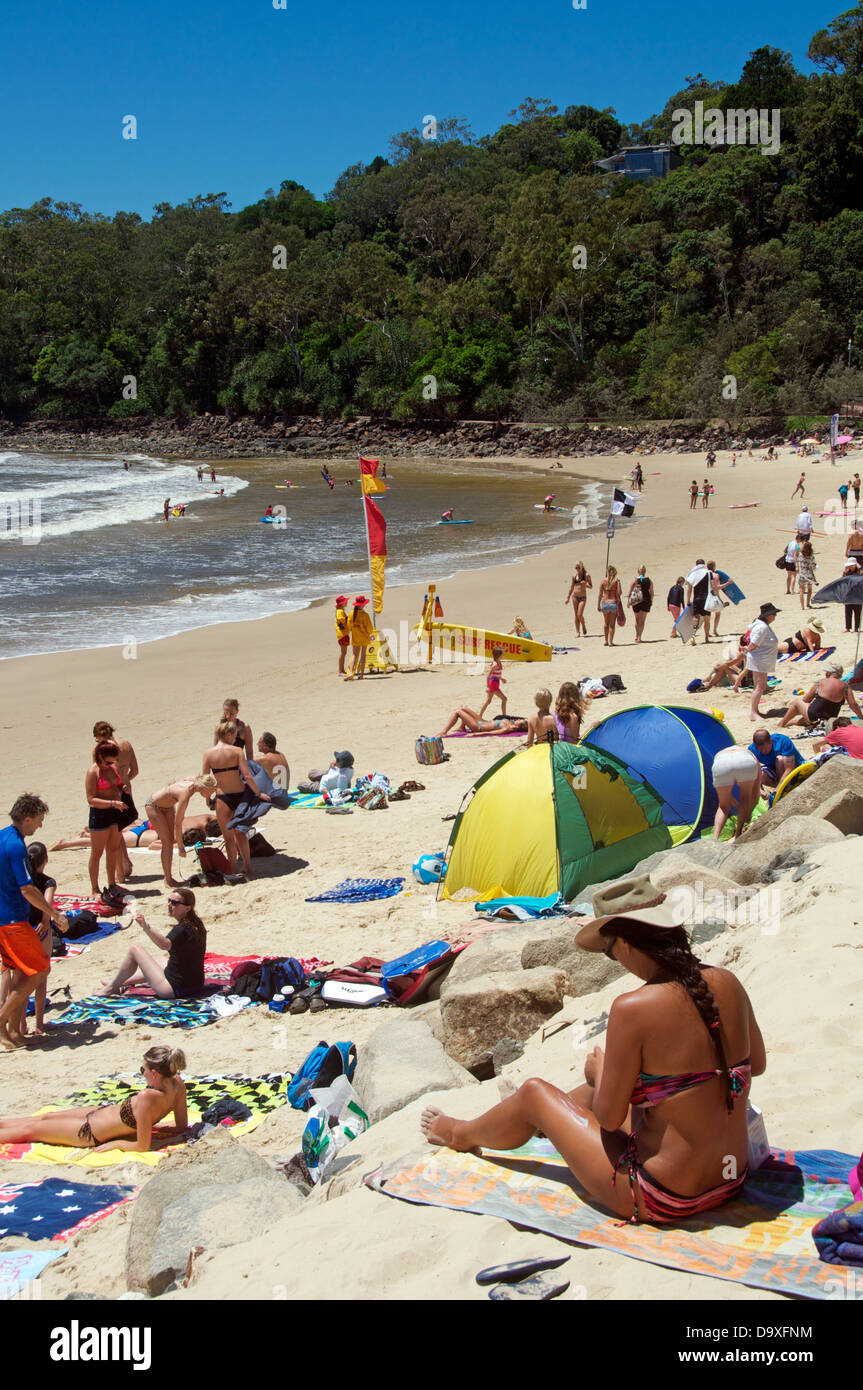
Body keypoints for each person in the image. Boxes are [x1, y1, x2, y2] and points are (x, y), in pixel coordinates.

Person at [421, 877, 765, 1225]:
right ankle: (534, 1124)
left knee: (534, 1094)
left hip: (663, 1196)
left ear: (627, 944)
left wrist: (600, 1075)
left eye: (608, 949)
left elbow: (610, 1119)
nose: (613, 958)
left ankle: (459, 1133)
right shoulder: (727, 981)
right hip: (730, 1178)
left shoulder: (634, 1007)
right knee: (613, 1092)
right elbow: (758, 1064)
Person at [0, 1046, 188, 1152]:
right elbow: (180, 1126)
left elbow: (142, 1146)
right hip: (99, 1114)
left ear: (154, 1073)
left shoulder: (147, 1097)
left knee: (31, 1129)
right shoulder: (178, 1085)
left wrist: (117, 1144)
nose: (142, 1074)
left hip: (89, 1132)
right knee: (45, 1117)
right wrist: (152, 1126)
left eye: (143, 1070)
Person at [0, 795, 67, 1050]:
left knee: (21, 974)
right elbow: (27, 889)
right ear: (27, 818)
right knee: (40, 970)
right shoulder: (16, 846)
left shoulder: (2, 836)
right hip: (12, 919)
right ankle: (2, 1021)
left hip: (5, 917)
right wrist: (54, 913)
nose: (38, 827)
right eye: (38, 821)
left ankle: (13, 1032)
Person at [99, 889, 206, 1000]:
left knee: (135, 950)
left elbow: (164, 945)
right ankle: (118, 982)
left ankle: (111, 988)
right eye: (169, 901)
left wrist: (145, 926)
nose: (169, 905)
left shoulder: (182, 928)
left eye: (175, 903)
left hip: (174, 990)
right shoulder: (196, 923)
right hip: (196, 985)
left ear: (187, 908)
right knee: (162, 960)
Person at [202, 723, 269, 875]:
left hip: (222, 796)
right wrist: (258, 793)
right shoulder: (237, 751)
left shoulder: (208, 754)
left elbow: (206, 780)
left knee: (228, 837)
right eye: (234, 736)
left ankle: (233, 869)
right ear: (228, 734)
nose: (235, 739)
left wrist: (207, 798)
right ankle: (247, 865)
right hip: (240, 795)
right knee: (240, 833)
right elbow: (246, 775)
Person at [143, 775, 219, 887]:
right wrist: (180, 847)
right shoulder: (186, 793)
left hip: (168, 806)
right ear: (204, 788)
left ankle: (169, 878)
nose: (210, 795)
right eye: (210, 792)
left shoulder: (195, 781)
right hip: (154, 805)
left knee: (169, 841)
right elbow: (179, 823)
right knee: (167, 842)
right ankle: (168, 879)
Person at [93, 721, 139, 876]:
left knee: (113, 831)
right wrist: (126, 781)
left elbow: (101, 773)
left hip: (112, 793)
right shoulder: (126, 744)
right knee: (120, 828)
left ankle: (122, 869)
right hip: (127, 790)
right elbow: (135, 770)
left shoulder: (103, 750)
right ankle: (125, 863)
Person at [85, 740, 128, 893]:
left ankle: (112, 883)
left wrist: (122, 788)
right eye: (111, 759)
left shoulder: (112, 768)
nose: (113, 761)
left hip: (115, 811)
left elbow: (116, 784)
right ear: (102, 756)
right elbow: (91, 799)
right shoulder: (93, 772)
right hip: (100, 813)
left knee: (113, 849)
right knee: (97, 852)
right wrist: (111, 803)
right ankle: (95, 888)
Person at [777, 662, 862, 728]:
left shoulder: (820, 682)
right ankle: (791, 723)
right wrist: (861, 717)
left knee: (797, 703)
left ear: (829, 673)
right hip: (830, 719)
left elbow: (806, 700)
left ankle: (781, 724)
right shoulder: (845, 686)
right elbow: (853, 705)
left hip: (814, 714)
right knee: (803, 719)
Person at [711, 745, 762, 838]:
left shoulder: (722, 752)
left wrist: (736, 805)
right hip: (745, 761)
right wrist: (748, 813)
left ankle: (715, 837)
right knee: (745, 799)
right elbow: (755, 794)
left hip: (721, 761)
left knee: (723, 806)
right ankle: (738, 834)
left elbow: (728, 796)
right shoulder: (752, 756)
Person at [744, 602, 780, 721]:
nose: (775, 616)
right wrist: (746, 650)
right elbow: (754, 643)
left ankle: (755, 711)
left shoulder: (762, 625)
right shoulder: (762, 627)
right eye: (773, 614)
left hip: (762, 660)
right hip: (759, 659)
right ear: (768, 615)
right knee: (759, 687)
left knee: (761, 686)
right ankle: (753, 713)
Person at [437, 708, 528, 737]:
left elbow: (491, 733)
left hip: (478, 727)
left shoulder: (507, 728)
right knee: (463, 707)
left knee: (458, 712)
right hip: (482, 721)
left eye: (520, 721)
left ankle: (444, 732)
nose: (518, 719)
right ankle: (462, 727)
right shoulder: (511, 723)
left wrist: (475, 734)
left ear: (518, 726)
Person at [346, 596, 374, 681]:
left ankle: (351, 672)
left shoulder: (351, 614)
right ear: (363, 604)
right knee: (363, 655)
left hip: (355, 636)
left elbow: (349, 627)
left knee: (354, 655)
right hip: (364, 637)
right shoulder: (365, 615)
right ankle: (361, 674)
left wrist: (353, 630)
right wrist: (369, 633)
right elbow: (369, 629)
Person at [628, 566, 654, 644]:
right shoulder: (649, 580)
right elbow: (652, 593)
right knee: (642, 620)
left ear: (638, 571)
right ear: (645, 571)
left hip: (636, 600)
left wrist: (629, 602)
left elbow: (630, 592)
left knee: (637, 620)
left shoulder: (635, 580)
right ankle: (639, 637)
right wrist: (651, 601)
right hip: (646, 600)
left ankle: (636, 636)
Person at [565, 563, 592, 636]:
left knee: (579, 614)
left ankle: (583, 625)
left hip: (583, 597)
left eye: (578, 567)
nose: (577, 568)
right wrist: (567, 598)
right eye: (576, 567)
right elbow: (571, 587)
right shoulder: (574, 576)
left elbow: (591, 586)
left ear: (582, 567)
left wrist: (585, 584)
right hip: (575, 596)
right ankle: (577, 632)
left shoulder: (586, 575)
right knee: (576, 615)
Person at [597, 565, 622, 647]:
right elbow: (619, 593)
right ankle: (611, 642)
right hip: (613, 603)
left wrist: (598, 605)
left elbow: (600, 594)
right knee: (612, 624)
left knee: (606, 623)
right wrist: (618, 583)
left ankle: (605, 641)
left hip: (605, 603)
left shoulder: (603, 581)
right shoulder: (616, 581)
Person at [479, 648, 507, 718]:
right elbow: (488, 676)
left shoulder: (499, 662)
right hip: (493, 684)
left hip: (496, 682)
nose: (504, 655)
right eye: (503, 654)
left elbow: (496, 674)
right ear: (499, 656)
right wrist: (488, 687)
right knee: (504, 699)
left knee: (488, 701)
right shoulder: (495, 665)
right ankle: (505, 716)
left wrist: (501, 678)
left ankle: (479, 716)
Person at [795, 541, 817, 610]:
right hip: (809, 574)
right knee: (809, 590)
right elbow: (813, 566)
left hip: (802, 574)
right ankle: (807, 604)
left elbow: (797, 561)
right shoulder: (811, 556)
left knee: (801, 590)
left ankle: (802, 607)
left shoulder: (801, 555)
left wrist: (797, 567)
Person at [334, 595, 350, 676]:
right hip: (342, 634)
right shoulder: (339, 612)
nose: (346, 602)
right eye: (345, 602)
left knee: (344, 652)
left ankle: (342, 670)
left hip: (343, 634)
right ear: (341, 604)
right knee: (343, 652)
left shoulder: (340, 611)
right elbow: (343, 622)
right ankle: (340, 671)